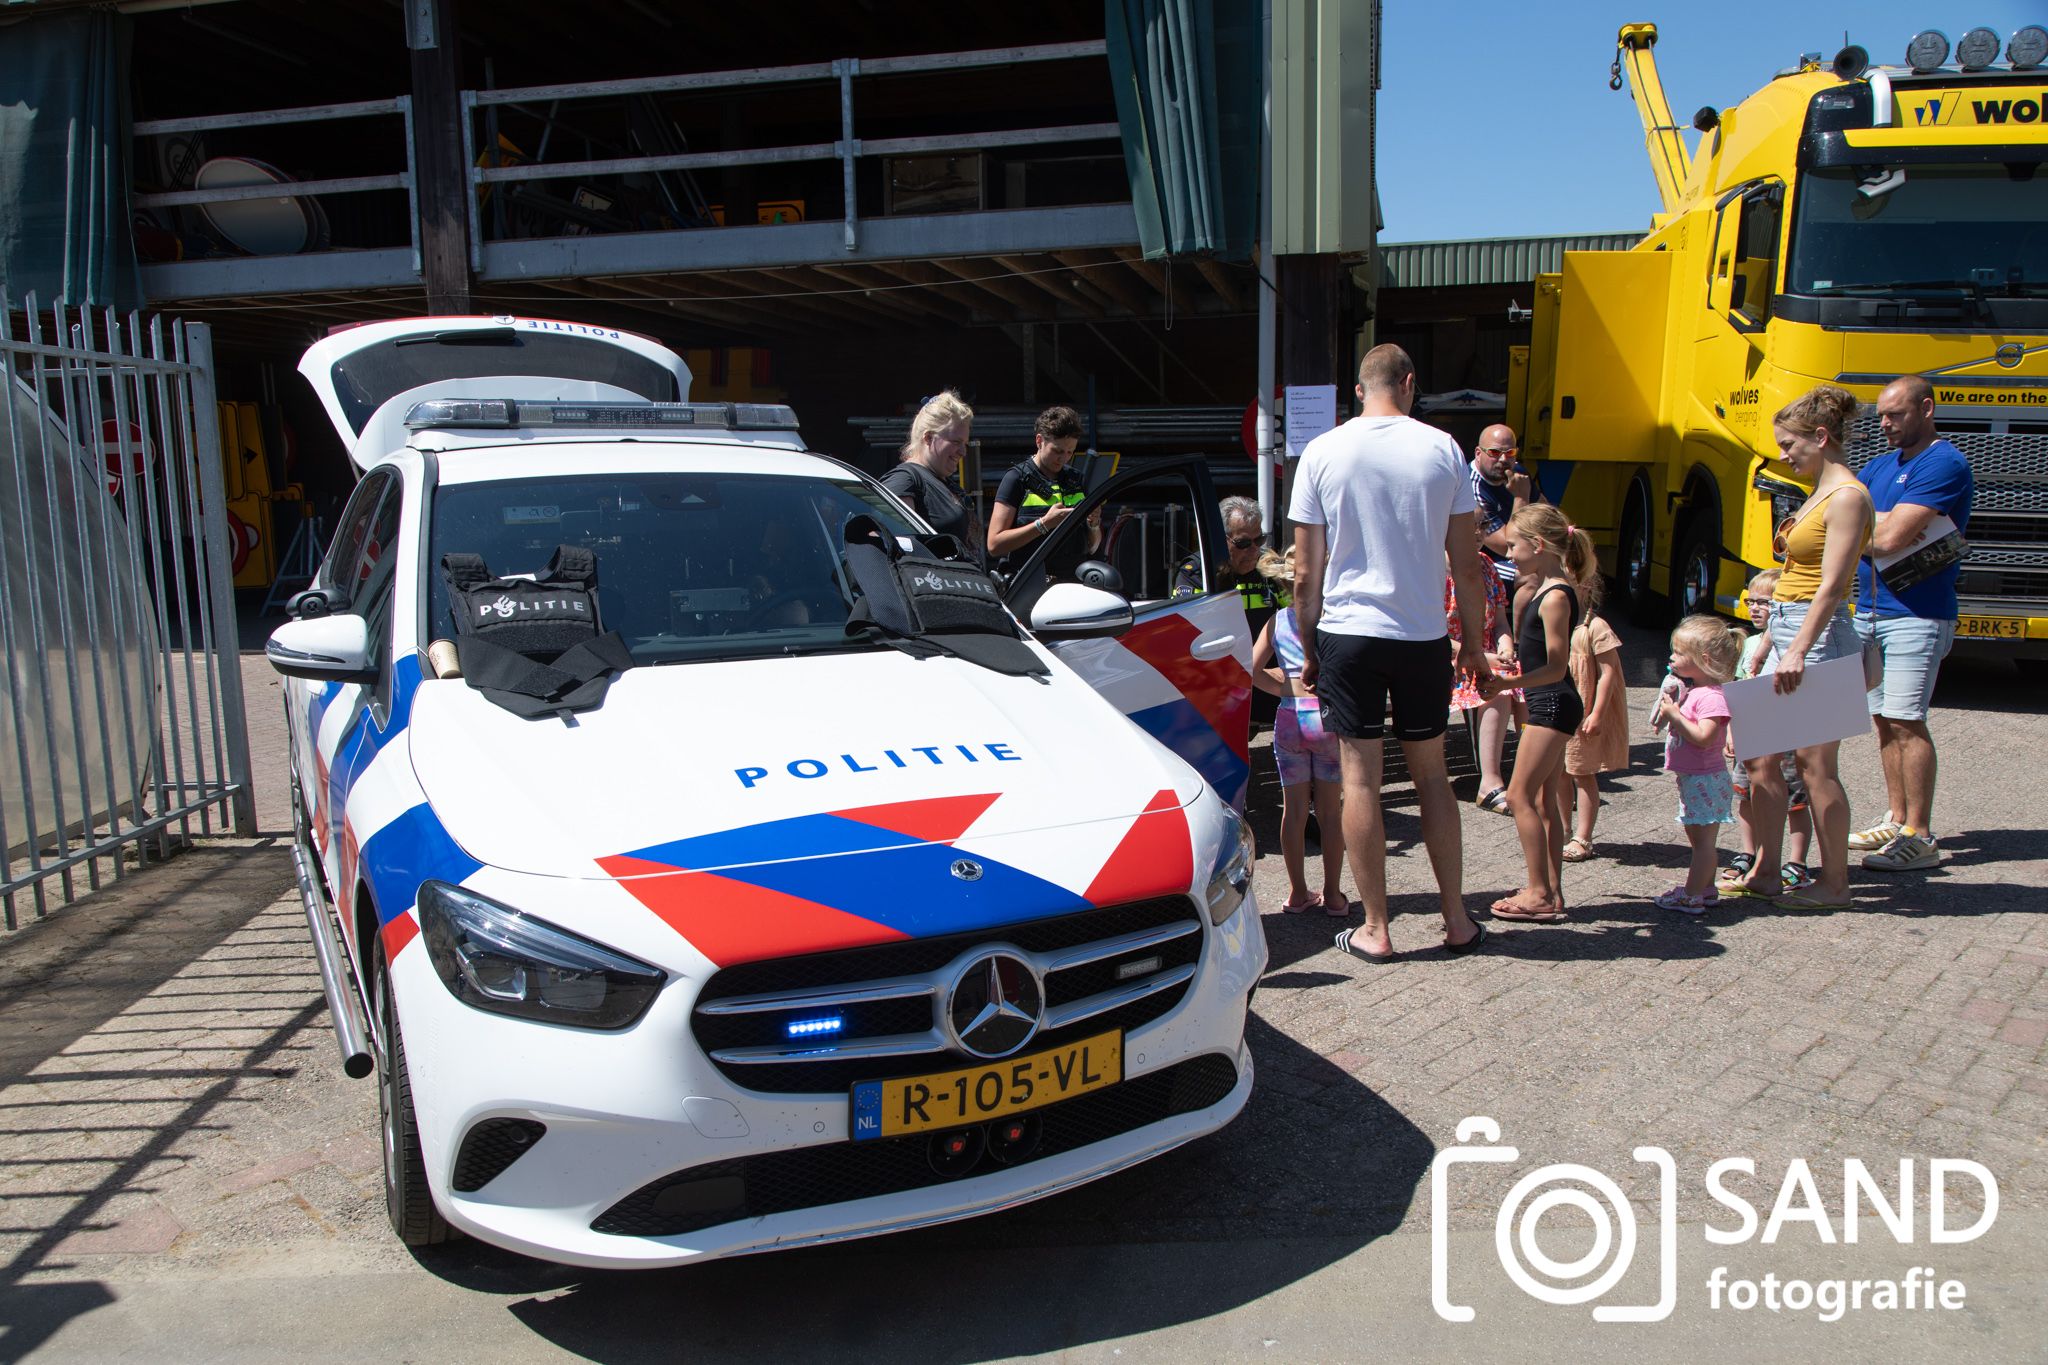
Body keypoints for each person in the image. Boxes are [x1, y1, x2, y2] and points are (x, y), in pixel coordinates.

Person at [1290, 343, 1492, 964]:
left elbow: (1305, 573)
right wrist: (1475, 644)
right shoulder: (1443, 449)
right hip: (1423, 633)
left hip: (1348, 633)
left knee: (1360, 781)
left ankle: (1376, 928)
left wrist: (1312, 644)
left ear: (1358, 390)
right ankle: (1455, 918)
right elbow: (1467, 563)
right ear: (1409, 383)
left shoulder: (1322, 451)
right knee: (1432, 775)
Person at [1726, 386, 1874, 910]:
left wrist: (1798, 650)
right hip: (1790, 628)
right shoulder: (1818, 491)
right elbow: (1793, 572)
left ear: (1821, 436)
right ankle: (1767, 872)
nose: (1784, 455)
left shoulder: (1848, 496)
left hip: (1818, 634)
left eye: (1790, 444)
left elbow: (1833, 586)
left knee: (1815, 765)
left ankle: (1834, 883)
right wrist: (1771, 641)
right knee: (1761, 756)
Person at [1850, 375, 1974, 872]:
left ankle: (1919, 835)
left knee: (1906, 720)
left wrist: (1850, 528)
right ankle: (1898, 818)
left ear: (1926, 409)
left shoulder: (1944, 462)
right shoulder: (1881, 464)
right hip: (1873, 611)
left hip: (1917, 615)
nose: (1885, 424)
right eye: (1881, 415)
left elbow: (1890, 538)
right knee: (1882, 721)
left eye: (1895, 414)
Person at [1489, 505, 1592, 923]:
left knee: (1519, 796)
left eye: (1513, 546)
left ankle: (1538, 894)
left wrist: (1508, 685)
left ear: (1538, 545)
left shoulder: (1555, 597)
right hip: (1547, 701)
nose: (1509, 554)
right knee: (1546, 802)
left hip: (1551, 703)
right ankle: (1551, 891)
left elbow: (1554, 665)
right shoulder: (1545, 588)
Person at [1249, 544, 1348, 917]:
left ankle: (1297, 893)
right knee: (1329, 813)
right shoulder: (1333, 618)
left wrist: (1287, 687)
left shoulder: (1277, 621)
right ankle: (1334, 895)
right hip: (1326, 719)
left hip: (1290, 719)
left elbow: (1252, 671)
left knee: (1293, 814)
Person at [1723, 569, 1814, 892]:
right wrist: (1732, 732)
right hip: (1749, 731)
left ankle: (1798, 862)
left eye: (1767, 603)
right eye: (1752, 601)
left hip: (1785, 735)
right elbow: (1735, 689)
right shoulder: (1746, 644)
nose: (1757, 608)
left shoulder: (1789, 649)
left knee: (1796, 799)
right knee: (1746, 795)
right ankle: (1751, 853)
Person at [1651, 615, 1742, 914]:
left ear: (1702, 660)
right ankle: (1707, 888)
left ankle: (1691, 895)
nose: (1671, 657)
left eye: (1678, 653)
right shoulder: (1696, 690)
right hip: (1696, 778)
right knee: (1697, 837)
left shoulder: (1712, 698)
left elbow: (1704, 737)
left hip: (1706, 780)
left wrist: (1675, 716)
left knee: (1703, 843)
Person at [1445, 520, 1515, 814]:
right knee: (1496, 686)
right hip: (1448, 659)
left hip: (1484, 655)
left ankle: (1534, 774)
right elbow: (1431, 632)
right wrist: (1480, 656)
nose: (1476, 534)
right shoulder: (1434, 569)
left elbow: (1500, 623)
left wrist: (1506, 647)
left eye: (1482, 528)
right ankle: (1490, 781)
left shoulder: (1487, 565)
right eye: (1469, 528)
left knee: (1523, 680)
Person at [1558, 569, 1627, 863]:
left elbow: (1609, 672)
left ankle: (1583, 836)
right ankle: (1562, 829)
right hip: (1558, 708)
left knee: (1581, 773)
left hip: (1583, 711)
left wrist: (1597, 713)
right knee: (1558, 771)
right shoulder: (1557, 620)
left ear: (1584, 586)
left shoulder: (1595, 627)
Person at [985, 405, 1102, 573]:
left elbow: (1093, 547)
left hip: (1072, 584)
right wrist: (1044, 524)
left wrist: (1094, 524)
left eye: (1070, 452)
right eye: (1057, 451)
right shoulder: (1016, 479)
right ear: (1039, 441)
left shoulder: (1076, 480)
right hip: (1031, 586)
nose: (1064, 459)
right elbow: (994, 545)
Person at [881, 390, 983, 563]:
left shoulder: (944, 482)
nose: (963, 451)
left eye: (965, 443)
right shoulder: (904, 479)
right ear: (928, 437)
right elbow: (893, 553)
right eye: (956, 442)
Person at [1173, 496, 1290, 636]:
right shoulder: (1197, 574)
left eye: (1259, 540)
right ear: (1219, 540)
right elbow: (1183, 631)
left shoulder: (1270, 567)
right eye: (1243, 543)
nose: (1255, 550)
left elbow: (1298, 617)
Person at [1470, 423, 1540, 593]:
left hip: (1525, 549)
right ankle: (1517, 621)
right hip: (1485, 560)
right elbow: (1507, 547)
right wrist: (1520, 498)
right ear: (1478, 454)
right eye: (1494, 453)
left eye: (1510, 453)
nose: (1503, 460)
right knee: (1531, 577)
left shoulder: (1519, 473)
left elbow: (1545, 512)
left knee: (1567, 565)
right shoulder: (1473, 488)